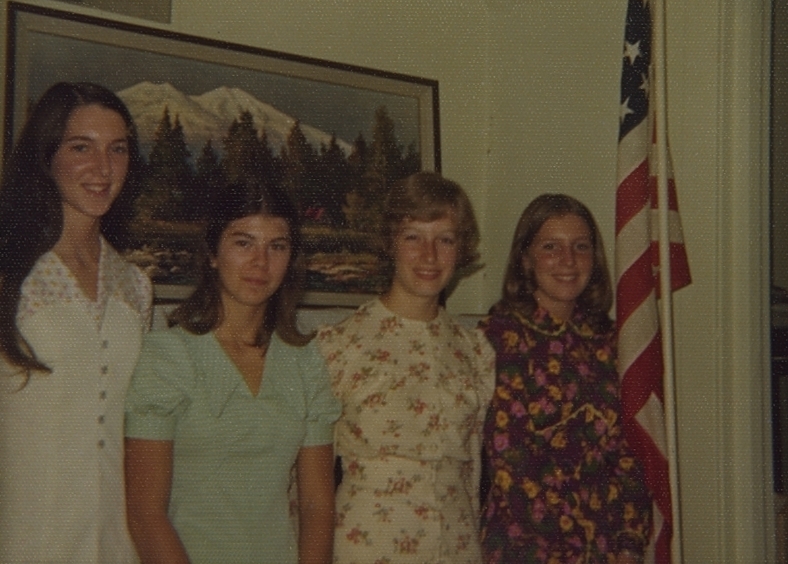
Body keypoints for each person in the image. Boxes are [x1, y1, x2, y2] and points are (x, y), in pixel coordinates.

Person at [124, 178, 340, 564]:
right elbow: (145, 514)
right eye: (244, 242)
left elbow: (316, 506)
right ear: (212, 252)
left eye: (277, 246)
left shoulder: (304, 361)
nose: (261, 262)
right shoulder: (167, 356)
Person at [0, 81, 153, 564]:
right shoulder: (10, 274)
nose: (102, 168)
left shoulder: (135, 287)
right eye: (80, 147)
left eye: (118, 149)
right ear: (46, 155)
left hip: (114, 546)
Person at [316, 171, 495, 564]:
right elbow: (306, 483)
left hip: (457, 548)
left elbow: (473, 472)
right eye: (413, 236)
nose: (429, 255)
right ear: (390, 243)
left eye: (444, 239)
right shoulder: (339, 346)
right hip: (367, 546)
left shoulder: (475, 351)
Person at [480, 194, 651, 564]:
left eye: (580, 246)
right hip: (526, 547)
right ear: (526, 258)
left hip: (605, 547)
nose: (568, 261)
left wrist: (629, 544)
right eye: (550, 247)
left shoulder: (611, 341)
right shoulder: (499, 338)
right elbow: (509, 462)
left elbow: (630, 451)